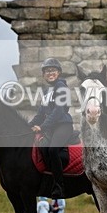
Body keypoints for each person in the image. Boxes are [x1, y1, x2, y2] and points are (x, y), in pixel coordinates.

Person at [29, 58, 75, 199]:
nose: (50, 73)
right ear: (43, 74)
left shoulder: (61, 87)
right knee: (42, 147)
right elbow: (40, 114)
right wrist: (28, 126)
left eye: (53, 70)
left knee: (53, 149)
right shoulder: (46, 91)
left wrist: (42, 127)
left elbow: (58, 111)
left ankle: (60, 186)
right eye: (47, 71)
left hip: (63, 125)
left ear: (59, 73)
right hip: (51, 128)